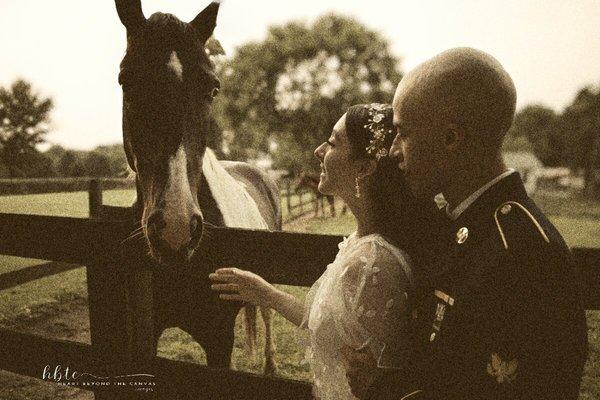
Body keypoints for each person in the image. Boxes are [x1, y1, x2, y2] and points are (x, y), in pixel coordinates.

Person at [345, 47, 589, 399]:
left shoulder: (522, 251)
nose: (394, 150)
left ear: (450, 139)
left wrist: (383, 391)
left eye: (403, 132)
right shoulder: (460, 227)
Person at [209, 104, 432, 400]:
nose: (318, 151)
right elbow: (330, 328)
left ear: (364, 168)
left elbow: (380, 384)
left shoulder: (373, 263)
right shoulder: (359, 243)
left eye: (332, 142)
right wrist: (266, 294)